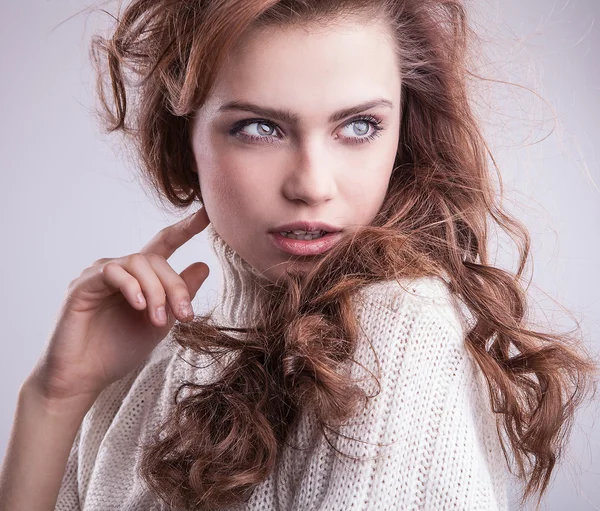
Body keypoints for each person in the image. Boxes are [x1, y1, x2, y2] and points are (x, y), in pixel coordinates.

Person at [0, 0, 597, 510]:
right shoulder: (147, 371)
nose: (312, 185)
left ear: (404, 132)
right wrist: (56, 398)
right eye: (260, 128)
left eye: (359, 126)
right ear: (185, 134)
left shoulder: (392, 330)